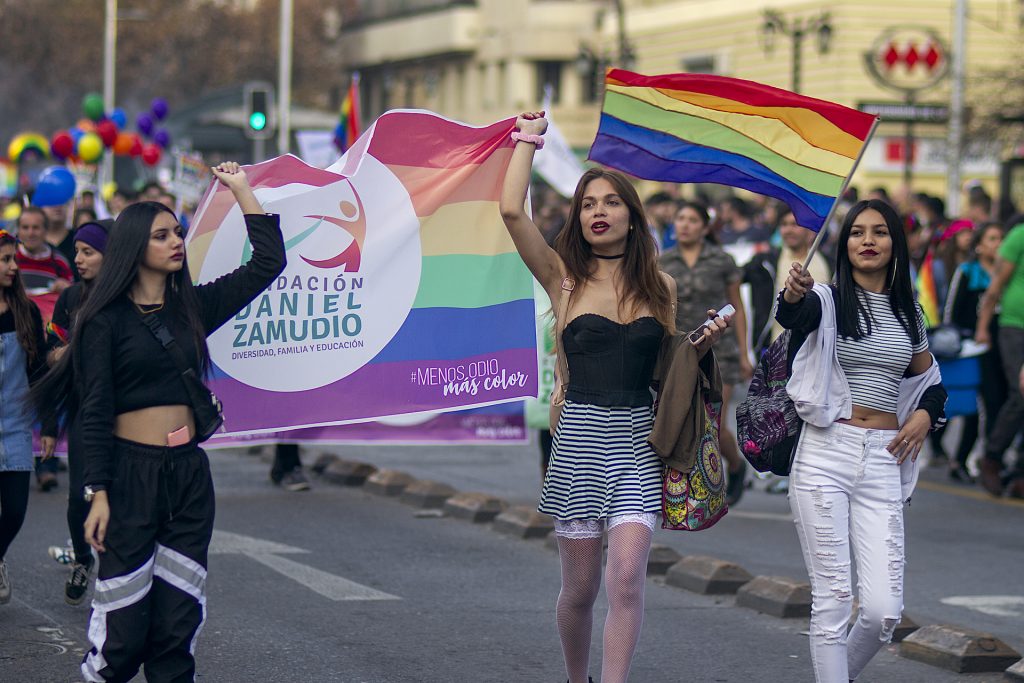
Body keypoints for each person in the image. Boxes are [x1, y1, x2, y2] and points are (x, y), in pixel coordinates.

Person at [34, 162, 285, 681]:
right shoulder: (103, 321)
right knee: (124, 636)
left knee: (176, 630)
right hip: (129, 477)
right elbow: (96, 409)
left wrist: (243, 191)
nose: (177, 242)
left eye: (178, 232)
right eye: (162, 235)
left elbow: (268, 263)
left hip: (188, 476)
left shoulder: (192, 306)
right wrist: (97, 492)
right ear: (134, 247)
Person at [499, 112, 726, 683]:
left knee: (626, 579)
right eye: (588, 203)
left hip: (639, 445)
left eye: (611, 202)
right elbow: (509, 211)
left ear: (632, 215)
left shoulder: (662, 286)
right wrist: (528, 140)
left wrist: (696, 347)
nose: (599, 211)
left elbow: (667, 374)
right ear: (578, 217)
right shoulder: (562, 277)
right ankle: (579, 677)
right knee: (579, 590)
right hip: (577, 441)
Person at [777, 199, 947, 683]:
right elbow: (794, 314)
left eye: (879, 232)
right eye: (856, 232)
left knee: (882, 613)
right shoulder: (826, 301)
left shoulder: (908, 312)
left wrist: (922, 415)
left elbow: (932, 382)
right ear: (843, 244)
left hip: (884, 462)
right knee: (832, 601)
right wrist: (793, 294)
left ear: (895, 243)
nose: (867, 241)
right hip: (826, 455)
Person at [660, 201, 752, 506]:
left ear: (704, 226)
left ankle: (735, 467)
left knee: (713, 423)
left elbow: (736, 308)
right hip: (680, 352)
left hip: (720, 352)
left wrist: (743, 353)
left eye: (692, 220)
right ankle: (686, 489)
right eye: (680, 219)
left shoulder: (722, 260)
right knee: (682, 421)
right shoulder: (663, 262)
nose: (684, 225)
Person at [44, 218, 113, 604]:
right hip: (84, 411)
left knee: (117, 498)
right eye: (77, 252)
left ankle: (117, 576)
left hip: (125, 414)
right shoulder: (70, 298)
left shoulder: (127, 295)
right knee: (79, 498)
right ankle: (82, 559)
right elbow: (49, 354)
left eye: (88, 252)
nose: (78, 259)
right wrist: (71, 353)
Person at [0, 229, 54, 604]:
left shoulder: (26, 311)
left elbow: (39, 373)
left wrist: (48, 424)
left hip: (15, 427)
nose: (13, 267)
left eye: (13, 259)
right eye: (5, 260)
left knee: (16, 511)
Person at [942, 222, 1007, 483]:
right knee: (973, 404)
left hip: (1000, 349)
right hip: (971, 350)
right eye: (992, 238)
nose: (998, 244)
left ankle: (990, 459)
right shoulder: (967, 272)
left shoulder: (1008, 274)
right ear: (979, 245)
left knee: (996, 402)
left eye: (1001, 238)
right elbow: (951, 312)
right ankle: (960, 459)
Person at [14, 206, 72, 491]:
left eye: (35, 227)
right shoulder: (9, 257)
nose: (30, 233)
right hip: (13, 338)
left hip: (44, 339)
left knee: (45, 395)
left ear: (44, 230)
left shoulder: (59, 261)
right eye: (25, 227)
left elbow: (73, 294)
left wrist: (64, 286)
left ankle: (46, 465)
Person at [975, 220, 1024, 498]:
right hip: (1014, 326)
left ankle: (1020, 471)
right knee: (1020, 393)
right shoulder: (1019, 235)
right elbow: (996, 285)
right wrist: (983, 327)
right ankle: (991, 458)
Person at [744, 207, 832, 355]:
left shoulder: (830, 264)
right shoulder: (765, 262)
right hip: (773, 351)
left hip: (818, 352)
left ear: (810, 230)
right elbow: (733, 277)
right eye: (784, 224)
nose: (788, 230)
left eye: (795, 224)